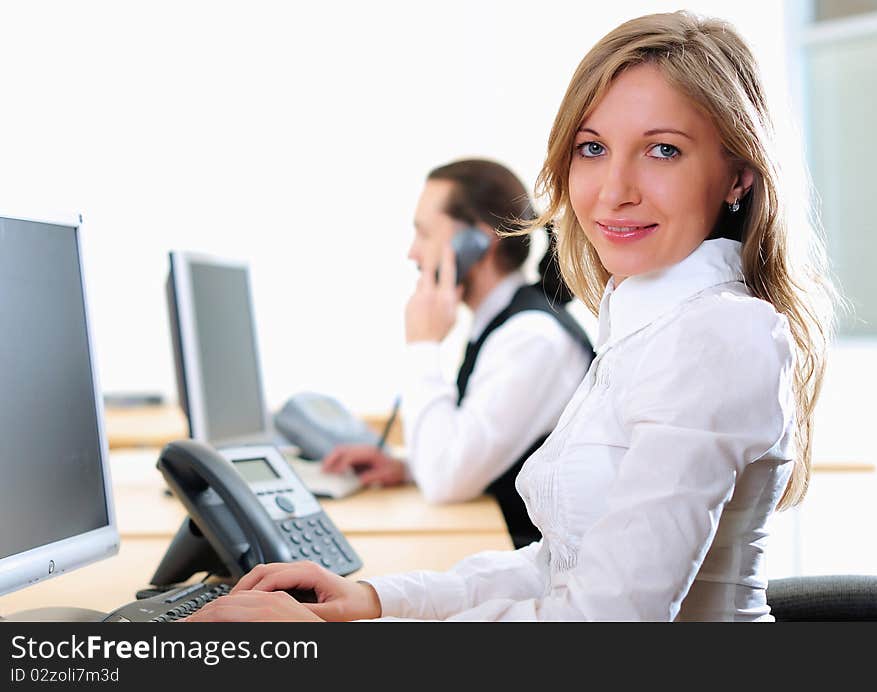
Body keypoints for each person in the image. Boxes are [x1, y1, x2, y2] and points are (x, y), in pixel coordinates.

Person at [185, 11, 837, 622]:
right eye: (592, 149)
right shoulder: (641, 324)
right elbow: (560, 566)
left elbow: (601, 624)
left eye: (663, 150)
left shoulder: (715, 335)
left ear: (737, 178)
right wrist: (373, 598)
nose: (614, 190)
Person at [322, 159, 594, 548]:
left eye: (424, 233)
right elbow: (468, 455)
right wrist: (406, 467)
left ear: (478, 242)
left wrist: (423, 346)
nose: (412, 253)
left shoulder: (531, 339)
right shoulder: (504, 326)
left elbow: (445, 482)